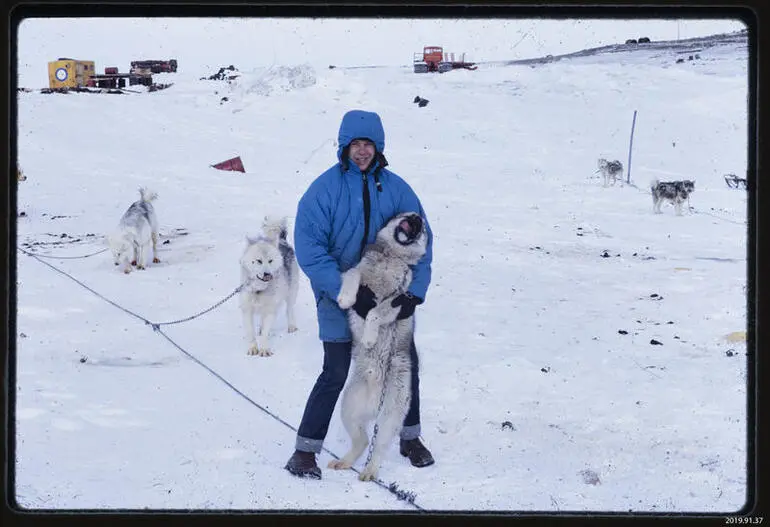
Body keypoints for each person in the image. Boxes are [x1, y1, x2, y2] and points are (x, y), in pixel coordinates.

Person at [284, 109, 434, 479]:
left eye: (368, 144)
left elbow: (423, 240)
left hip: (389, 298)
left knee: (403, 367)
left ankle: (409, 439)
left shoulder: (398, 189)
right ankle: (304, 452)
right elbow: (309, 248)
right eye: (356, 144)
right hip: (341, 297)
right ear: (344, 147)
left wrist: (414, 293)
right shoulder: (324, 190)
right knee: (335, 371)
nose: (362, 151)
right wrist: (343, 289)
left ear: (378, 147)